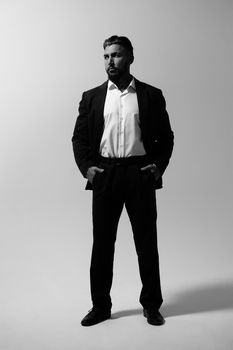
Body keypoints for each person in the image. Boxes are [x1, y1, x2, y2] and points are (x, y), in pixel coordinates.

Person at [72, 35, 174, 326]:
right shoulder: (91, 97)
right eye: (106, 56)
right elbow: (79, 138)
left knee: (146, 243)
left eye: (116, 55)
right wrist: (87, 168)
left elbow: (167, 137)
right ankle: (101, 306)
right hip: (105, 175)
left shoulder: (151, 95)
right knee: (102, 244)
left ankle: (151, 305)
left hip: (138, 174)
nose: (110, 61)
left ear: (130, 57)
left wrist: (158, 167)